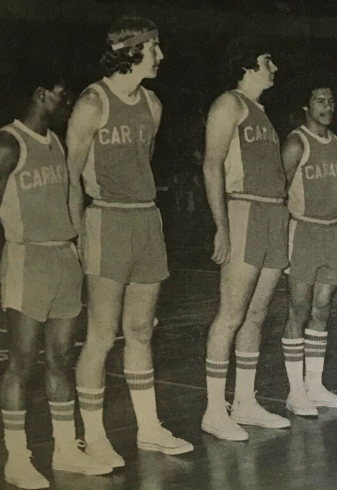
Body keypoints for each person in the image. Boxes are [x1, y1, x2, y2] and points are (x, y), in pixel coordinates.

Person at [67, 17, 193, 463]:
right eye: (155, 47)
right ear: (133, 50)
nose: (162, 56)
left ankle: (149, 429)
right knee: (101, 334)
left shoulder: (153, 104)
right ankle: (95, 436)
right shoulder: (91, 102)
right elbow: (71, 176)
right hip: (107, 221)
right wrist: (74, 234)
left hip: (146, 221)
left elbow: (144, 162)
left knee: (140, 330)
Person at [0, 68, 112, 489]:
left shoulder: (59, 142)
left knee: (61, 358)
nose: (67, 105)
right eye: (62, 97)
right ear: (40, 93)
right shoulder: (9, 142)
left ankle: (66, 450)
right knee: (21, 363)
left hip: (63, 258)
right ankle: (17, 457)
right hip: (27, 260)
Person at [201, 37, 291, 440]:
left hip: (274, 213)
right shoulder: (229, 104)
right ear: (247, 66)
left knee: (257, 315)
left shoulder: (261, 112)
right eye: (266, 60)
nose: (274, 68)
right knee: (232, 314)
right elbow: (211, 165)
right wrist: (221, 225)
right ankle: (214, 410)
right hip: (245, 211)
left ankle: (245, 403)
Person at [281, 80, 337, 416]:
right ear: (306, 106)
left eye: (331, 100)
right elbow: (278, 192)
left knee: (322, 310)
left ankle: (315, 385)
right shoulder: (297, 142)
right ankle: (295, 392)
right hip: (304, 231)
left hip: (332, 233)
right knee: (299, 310)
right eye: (319, 100)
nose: (326, 107)